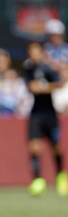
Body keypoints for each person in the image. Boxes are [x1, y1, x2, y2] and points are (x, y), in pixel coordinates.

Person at [23, 42, 68, 197]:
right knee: (34, 147)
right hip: (35, 114)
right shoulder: (28, 69)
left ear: (41, 53)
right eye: (31, 52)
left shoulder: (47, 68)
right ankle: (37, 180)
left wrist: (43, 88)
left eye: (36, 52)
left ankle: (61, 176)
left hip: (50, 114)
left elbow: (60, 84)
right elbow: (30, 87)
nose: (34, 55)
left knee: (56, 147)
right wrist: (41, 87)